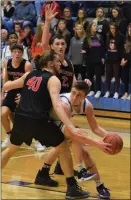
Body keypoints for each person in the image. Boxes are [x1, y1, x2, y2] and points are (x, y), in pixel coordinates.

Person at [2, 50, 91, 200]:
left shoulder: (29, 74)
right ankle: (71, 188)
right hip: (38, 120)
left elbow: (6, 86)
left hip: (21, 118)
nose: (59, 65)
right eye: (57, 62)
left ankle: (67, 184)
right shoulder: (53, 79)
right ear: (50, 63)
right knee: (62, 146)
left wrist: (7, 78)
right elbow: (57, 106)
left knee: (10, 150)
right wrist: (69, 125)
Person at [34, 80, 111, 199]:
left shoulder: (87, 105)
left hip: (61, 122)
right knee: (78, 142)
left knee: (62, 145)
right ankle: (84, 173)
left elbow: (95, 128)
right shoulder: (65, 103)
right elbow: (73, 133)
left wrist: (109, 136)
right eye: (73, 93)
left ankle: (43, 174)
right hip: (47, 123)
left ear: (85, 97)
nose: (74, 97)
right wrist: (97, 144)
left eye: (79, 95)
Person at [1, 44, 32, 149]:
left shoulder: (26, 65)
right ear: (11, 52)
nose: (17, 54)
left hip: (23, 93)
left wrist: (25, 96)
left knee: (24, 119)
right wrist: (2, 94)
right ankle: (9, 135)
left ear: (22, 53)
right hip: (11, 92)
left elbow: (30, 83)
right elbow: (5, 79)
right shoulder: (7, 62)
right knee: (3, 114)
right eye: (14, 52)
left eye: (19, 52)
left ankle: (36, 139)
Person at [121, 23, 131, 100]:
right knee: (125, 78)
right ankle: (126, 93)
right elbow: (124, 50)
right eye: (129, 29)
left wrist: (126, 59)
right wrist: (123, 59)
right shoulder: (126, 38)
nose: (130, 30)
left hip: (128, 60)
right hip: (126, 61)